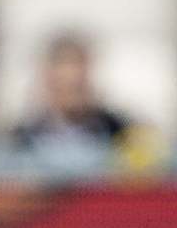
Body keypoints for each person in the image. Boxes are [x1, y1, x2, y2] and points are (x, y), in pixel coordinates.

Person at [9, 29, 166, 176]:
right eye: (62, 86)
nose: (71, 91)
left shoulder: (123, 131)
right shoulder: (18, 139)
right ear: (46, 81)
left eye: (77, 86)